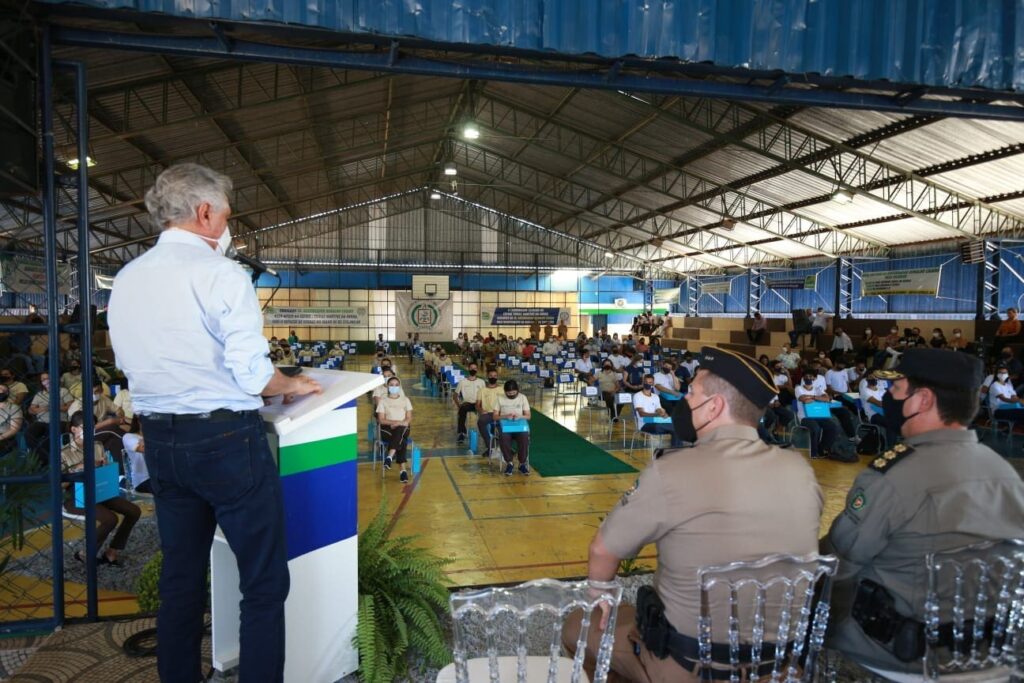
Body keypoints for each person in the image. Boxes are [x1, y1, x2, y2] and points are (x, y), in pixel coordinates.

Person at [108, 163, 322, 683]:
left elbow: (126, 362)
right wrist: (289, 384)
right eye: (227, 214)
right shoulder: (220, 273)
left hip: (161, 442)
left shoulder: (128, 277)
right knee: (264, 583)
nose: (229, 226)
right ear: (205, 212)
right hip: (225, 442)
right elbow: (253, 374)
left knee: (182, 577)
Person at [564, 346, 822, 682]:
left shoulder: (672, 471)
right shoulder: (800, 470)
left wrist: (599, 595)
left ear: (714, 407)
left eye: (692, 392)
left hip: (693, 665)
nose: (685, 399)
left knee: (576, 627)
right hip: (778, 666)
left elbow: (603, 550)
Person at [822, 349, 1024, 674]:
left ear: (923, 400)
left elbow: (838, 563)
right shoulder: (1004, 474)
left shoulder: (893, 477)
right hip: (987, 653)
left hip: (896, 656)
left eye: (896, 388)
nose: (888, 395)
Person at [62, 410, 142, 566]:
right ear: (74, 429)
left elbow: (104, 467)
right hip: (75, 496)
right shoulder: (64, 453)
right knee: (110, 519)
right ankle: (85, 553)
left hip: (99, 489)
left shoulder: (97, 445)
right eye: (84, 427)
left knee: (134, 511)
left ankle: (112, 550)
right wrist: (78, 470)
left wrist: (106, 467)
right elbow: (60, 484)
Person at [794, 372, 840, 460]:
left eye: (810, 376)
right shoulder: (798, 388)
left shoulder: (817, 388)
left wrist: (813, 397)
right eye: (806, 376)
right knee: (815, 428)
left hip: (818, 414)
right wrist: (818, 398)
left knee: (832, 426)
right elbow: (804, 400)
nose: (808, 378)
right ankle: (814, 453)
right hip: (804, 417)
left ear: (814, 378)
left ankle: (822, 448)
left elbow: (827, 399)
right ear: (803, 378)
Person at [377, 376, 413, 483]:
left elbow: (409, 418)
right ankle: (403, 471)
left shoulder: (405, 400)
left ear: (400, 386)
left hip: (403, 427)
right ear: (388, 386)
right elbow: (381, 420)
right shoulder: (383, 401)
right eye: (391, 385)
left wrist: (399, 424)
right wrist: (394, 423)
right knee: (402, 440)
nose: (394, 387)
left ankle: (389, 457)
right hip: (387, 429)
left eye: (396, 385)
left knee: (400, 430)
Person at [631, 375, 682, 448]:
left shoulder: (655, 396)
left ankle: (676, 450)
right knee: (661, 426)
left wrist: (664, 414)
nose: (647, 384)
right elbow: (641, 414)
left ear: (652, 383)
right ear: (643, 382)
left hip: (657, 421)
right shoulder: (637, 396)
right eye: (646, 382)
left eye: (650, 382)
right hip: (645, 424)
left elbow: (659, 409)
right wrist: (656, 414)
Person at [27, 371, 73, 451]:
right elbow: (31, 410)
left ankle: (43, 458)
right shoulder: (39, 394)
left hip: (59, 420)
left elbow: (70, 406)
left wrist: (54, 407)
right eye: (43, 379)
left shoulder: (63, 391)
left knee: (49, 436)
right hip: (41, 421)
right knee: (29, 433)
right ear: (41, 382)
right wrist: (43, 409)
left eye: (48, 378)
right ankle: (37, 455)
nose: (46, 380)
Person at [494, 380, 530, 476]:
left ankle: (522, 463)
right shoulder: (499, 398)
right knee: (504, 437)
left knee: (524, 436)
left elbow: (528, 416)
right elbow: (495, 416)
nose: (511, 395)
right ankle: (509, 462)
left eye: (514, 393)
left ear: (517, 390)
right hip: (505, 425)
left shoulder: (522, 398)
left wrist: (520, 416)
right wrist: (505, 416)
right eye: (509, 393)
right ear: (505, 391)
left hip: (519, 424)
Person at [453, 363, 485, 444]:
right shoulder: (462, 382)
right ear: (468, 369)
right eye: (471, 368)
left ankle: (485, 432)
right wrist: (458, 405)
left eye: (475, 368)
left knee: (487, 413)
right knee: (462, 410)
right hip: (467, 404)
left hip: (479, 403)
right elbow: (455, 395)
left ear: (477, 370)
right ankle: (461, 433)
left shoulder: (481, 382)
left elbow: (485, 395)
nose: (473, 370)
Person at [475, 369, 502, 456]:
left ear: (497, 377)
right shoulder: (482, 390)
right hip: (488, 413)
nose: (493, 378)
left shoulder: (502, 389)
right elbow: (477, 405)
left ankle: (505, 447)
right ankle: (490, 447)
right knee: (481, 422)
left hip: (500, 413)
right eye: (491, 376)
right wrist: (481, 410)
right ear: (487, 377)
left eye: (495, 376)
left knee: (505, 425)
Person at [0, 384, 23, 456]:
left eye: (3, 390)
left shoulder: (14, 408)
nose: (1, 391)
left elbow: (14, 429)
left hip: (4, 437)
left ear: (7, 393)